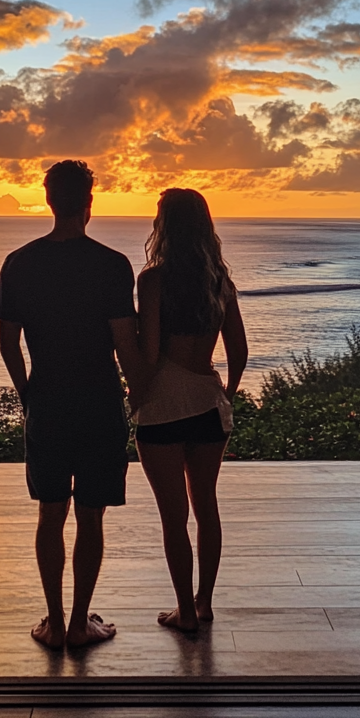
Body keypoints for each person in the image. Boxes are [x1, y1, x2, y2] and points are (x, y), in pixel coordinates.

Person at [0, 160, 143, 650]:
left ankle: (54, 623)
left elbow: (9, 343)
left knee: (50, 512)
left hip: (48, 401)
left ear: (49, 199)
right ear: (89, 203)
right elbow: (125, 344)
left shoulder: (20, 261)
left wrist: (26, 393)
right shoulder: (112, 264)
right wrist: (139, 395)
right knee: (91, 515)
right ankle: (80, 623)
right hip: (100, 403)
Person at [133, 188, 248, 632]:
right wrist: (226, 394)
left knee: (173, 516)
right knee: (206, 508)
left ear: (164, 225)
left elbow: (150, 348)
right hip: (206, 401)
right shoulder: (220, 281)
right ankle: (203, 602)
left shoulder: (154, 280)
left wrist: (133, 392)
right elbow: (238, 351)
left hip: (163, 403)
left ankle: (183, 609)